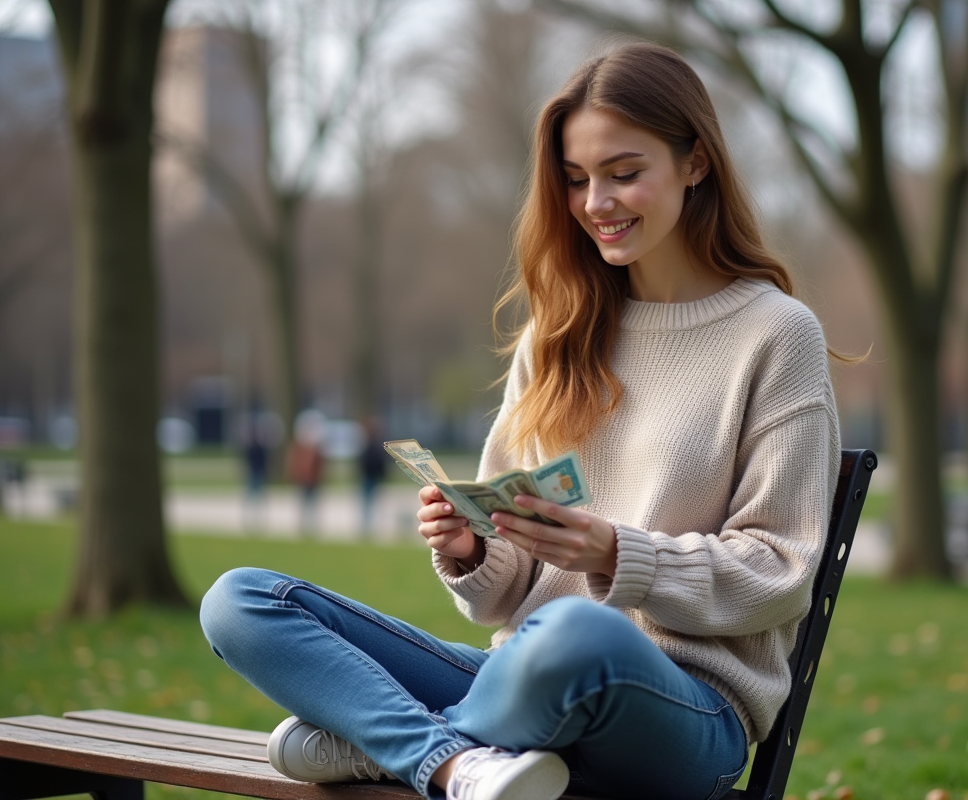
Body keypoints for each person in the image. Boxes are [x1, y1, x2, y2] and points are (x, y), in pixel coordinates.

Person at [199, 41, 842, 800]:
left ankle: (388, 743)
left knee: (581, 634)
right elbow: (504, 599)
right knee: (241, 602)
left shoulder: (775, 334)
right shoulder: (558, 333)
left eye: (623, 173)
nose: (595, 203)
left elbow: (779, 572)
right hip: (520, 679)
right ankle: (451, 762)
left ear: (695, 162)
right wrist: (475, 549)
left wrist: (615, 555)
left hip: (685, 711)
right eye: (576, 179)